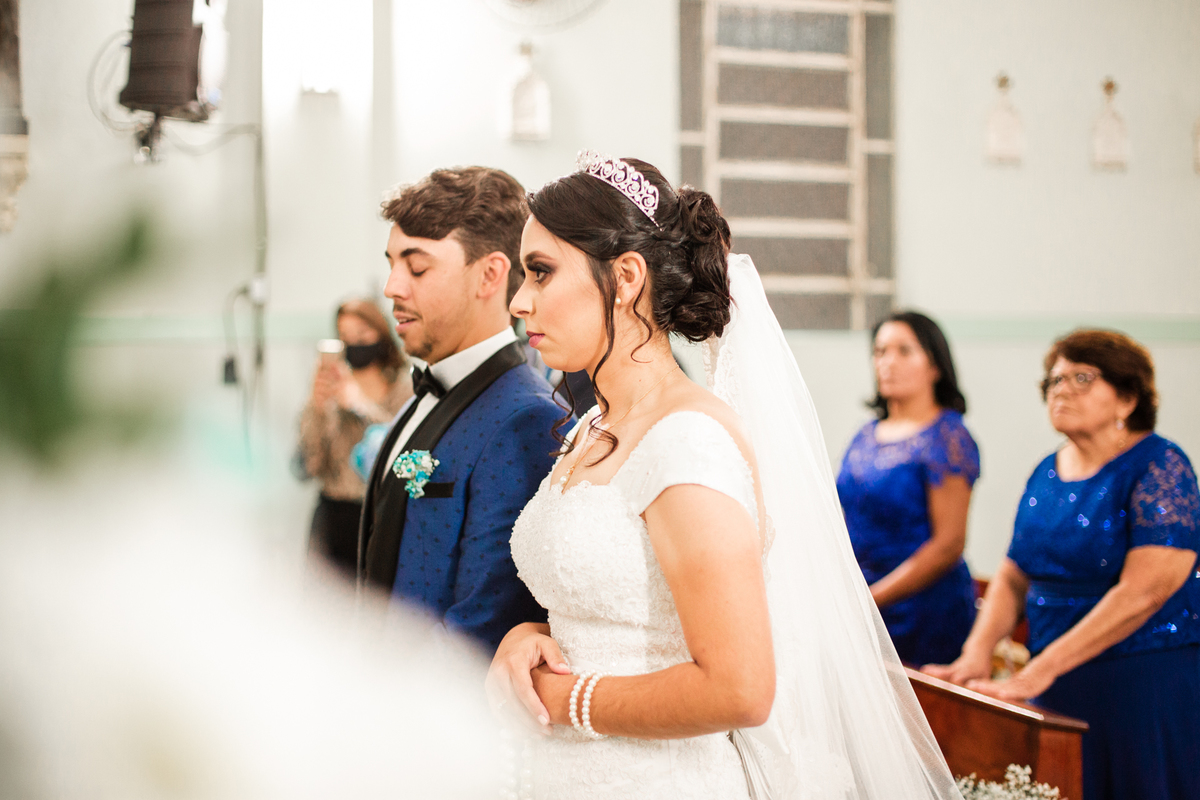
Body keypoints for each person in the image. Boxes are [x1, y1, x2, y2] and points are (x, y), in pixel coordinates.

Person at [486, 153, 960, 800]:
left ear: (625, 277)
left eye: (541, 272)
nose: (519, 301)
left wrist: (567, 700)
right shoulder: (593, 425)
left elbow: (739, 689)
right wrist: (529, 636)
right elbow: (624, 611)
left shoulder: (687, 441)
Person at [925, 329, 1200, 800]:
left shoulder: (1161, 466)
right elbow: (1014, 574)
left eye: (1082, 378)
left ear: (1127, 398)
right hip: (1056, 682)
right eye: (1054, 380)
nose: (1061, 389)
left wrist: (1040, 670)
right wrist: (976, 652)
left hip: (1140, 684)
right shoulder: (1046, 470)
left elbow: (1145, 591)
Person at [357, 167, 564, 652]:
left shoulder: (527, 420)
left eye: (417, 268)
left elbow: (488, 620)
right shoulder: (426, 392)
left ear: (490, 275)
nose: (392, 287)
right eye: (392, 264)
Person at [836, 312, 979, 665]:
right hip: (860, 599)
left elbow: (948, 544)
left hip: (921, 608)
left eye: (904, 351)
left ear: (935, 365)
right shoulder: (866, 433)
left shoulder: (948, 437)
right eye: (880, 351)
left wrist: (872, 600)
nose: (888, 362)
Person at [298, 299, 411, 581]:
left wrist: (360, 405)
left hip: (381, 517)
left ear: (381, 333)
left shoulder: (404, 388)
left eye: (362, 334)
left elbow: (407, 447)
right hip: (334, 514)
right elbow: (311, 462)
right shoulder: (331, 387)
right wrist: (317, 407)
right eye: (345, 336)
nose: (354, 344)